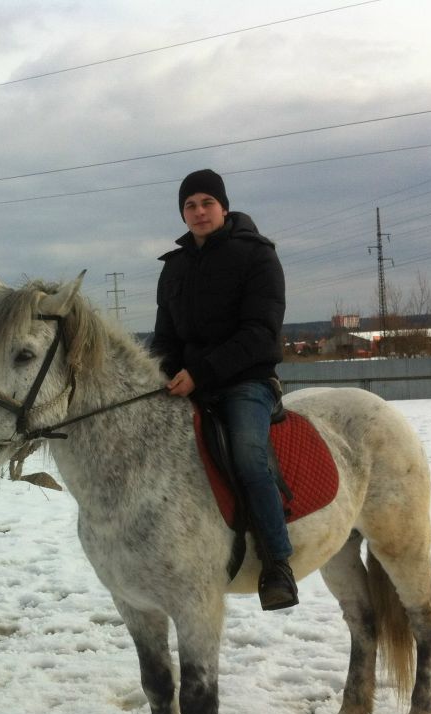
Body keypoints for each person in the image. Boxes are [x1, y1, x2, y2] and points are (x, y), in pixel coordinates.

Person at [151, 168, 298, 610]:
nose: (199, 211)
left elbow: (260, 332)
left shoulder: (257, 256)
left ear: (224, 207)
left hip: (245, 381)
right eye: (190, 205)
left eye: (207, 203)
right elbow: (164, 338)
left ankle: (277, 563)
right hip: (190, 383)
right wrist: (159, 375)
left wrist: (201, 372)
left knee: (249, 455)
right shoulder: (174, 267)